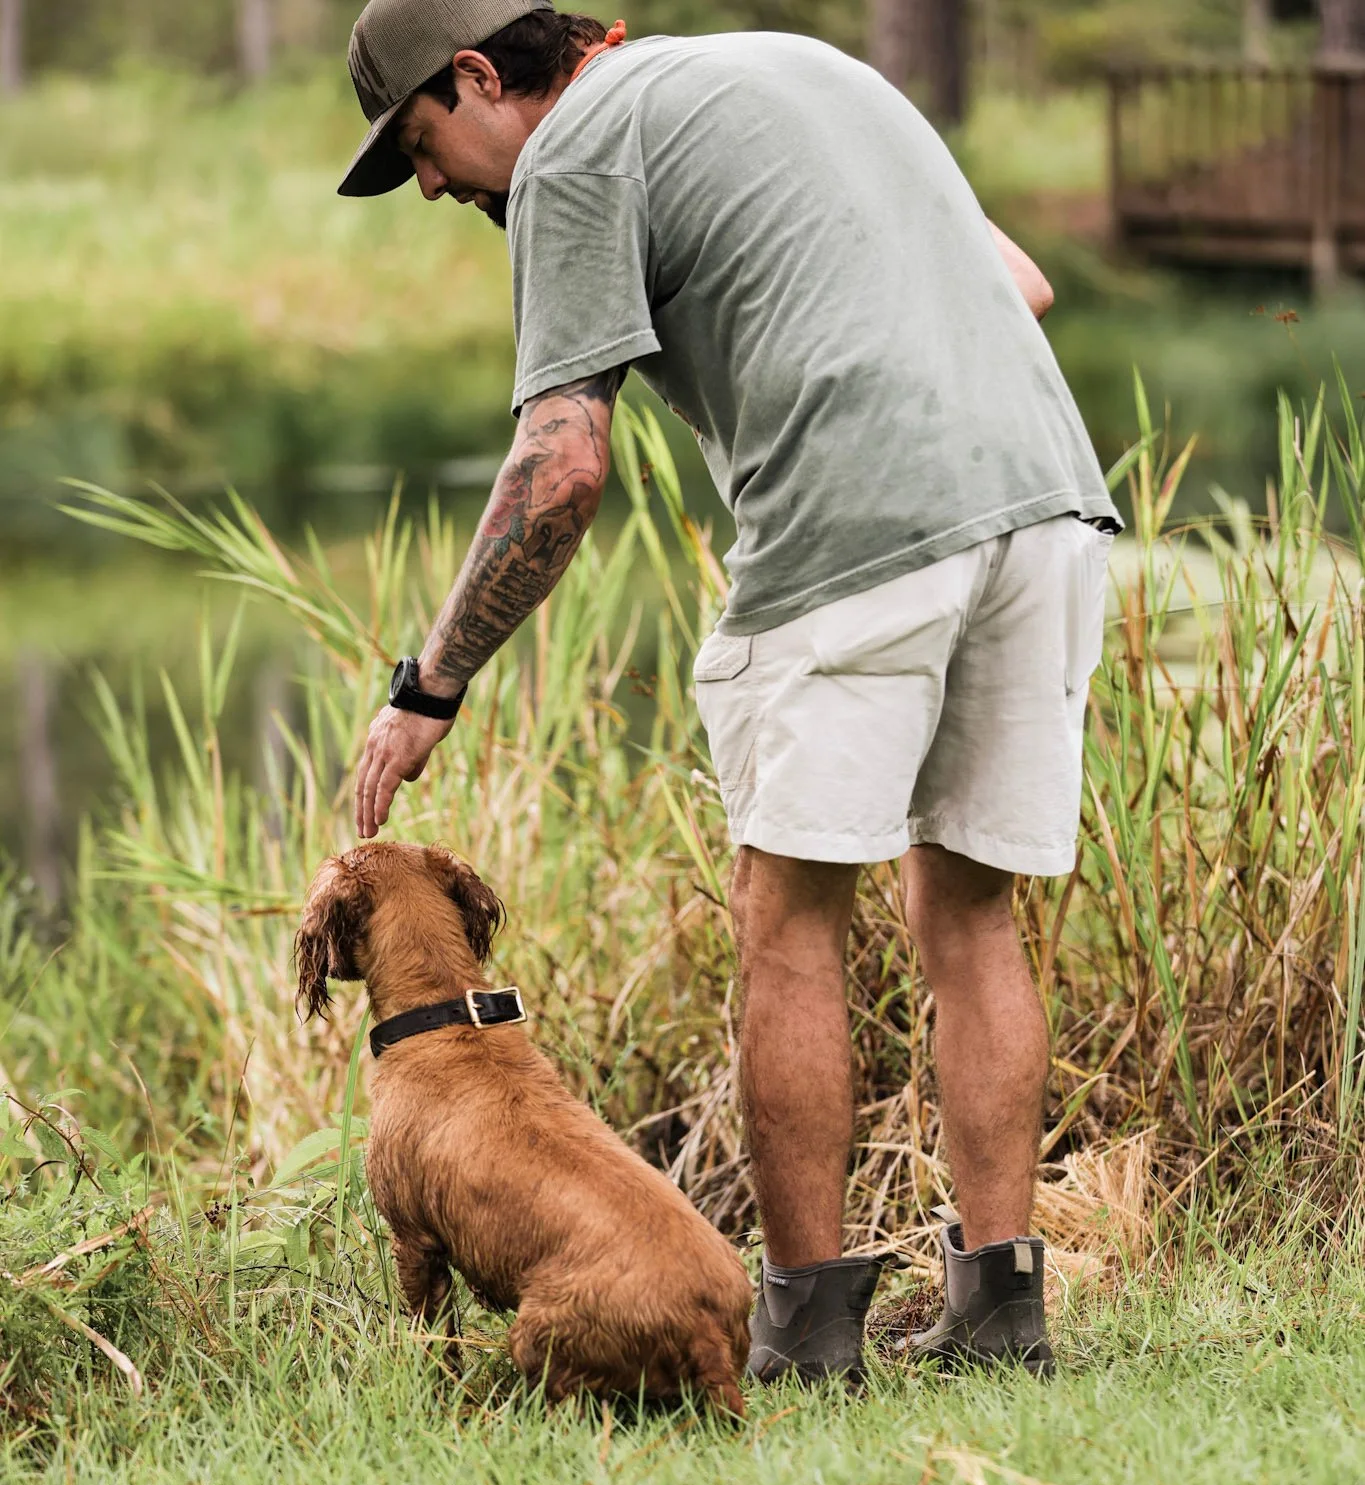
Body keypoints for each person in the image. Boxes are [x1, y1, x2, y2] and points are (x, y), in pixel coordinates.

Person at [340, 0, 1120, 1385]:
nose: (432, 185)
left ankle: (807, 1332)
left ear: (479, 77)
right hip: (1047, 507)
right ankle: (1001, 1315)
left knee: (787, 924)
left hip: (858, 533)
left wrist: (432, 683)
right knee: (972, 908)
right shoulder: (804, 68)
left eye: (420, 144)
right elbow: (1022, 282)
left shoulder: (575, 152)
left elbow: (563, 467)